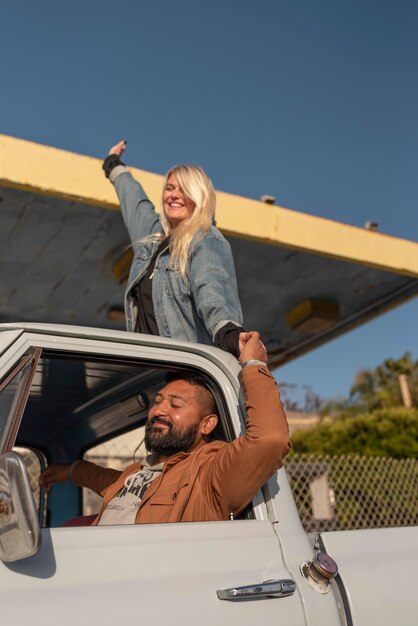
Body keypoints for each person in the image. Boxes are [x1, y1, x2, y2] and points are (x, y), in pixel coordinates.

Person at [39, 332, 291, 525]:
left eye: (175, 404)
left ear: (207, 424)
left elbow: (269, 440)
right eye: (158, 401)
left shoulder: (209, 473)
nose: (158, 410)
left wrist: (254, 363)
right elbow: (102, 479)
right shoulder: (137, 472)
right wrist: (70, 470)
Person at [103, 141, 246, 356]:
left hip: (184, 374)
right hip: (147, 372)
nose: (174, 195)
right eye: (170, 188)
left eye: (184, 189)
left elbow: (212, 290)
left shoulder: (205, 238)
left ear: (200, 197)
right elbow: (134, 201)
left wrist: (227, 331)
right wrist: (114, 164)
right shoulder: (152, 241)